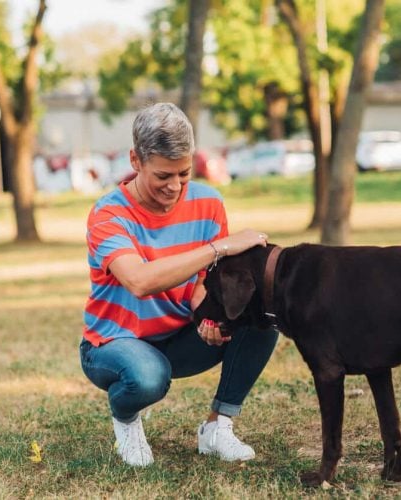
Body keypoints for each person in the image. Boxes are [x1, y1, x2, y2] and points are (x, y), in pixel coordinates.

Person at [79, 102, 278, 467]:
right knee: (147, 376)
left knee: (260, 316)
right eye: (162, 176)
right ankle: (126, 420)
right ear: (135, 161)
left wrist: (211, 319)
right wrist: (217, 248)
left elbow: (203, 285)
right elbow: (140, 281)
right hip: (114, 344)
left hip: (180, 338)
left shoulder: (208, 203)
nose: (174, 187)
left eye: (183, 175)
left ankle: (218, 428)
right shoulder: (108, 214)